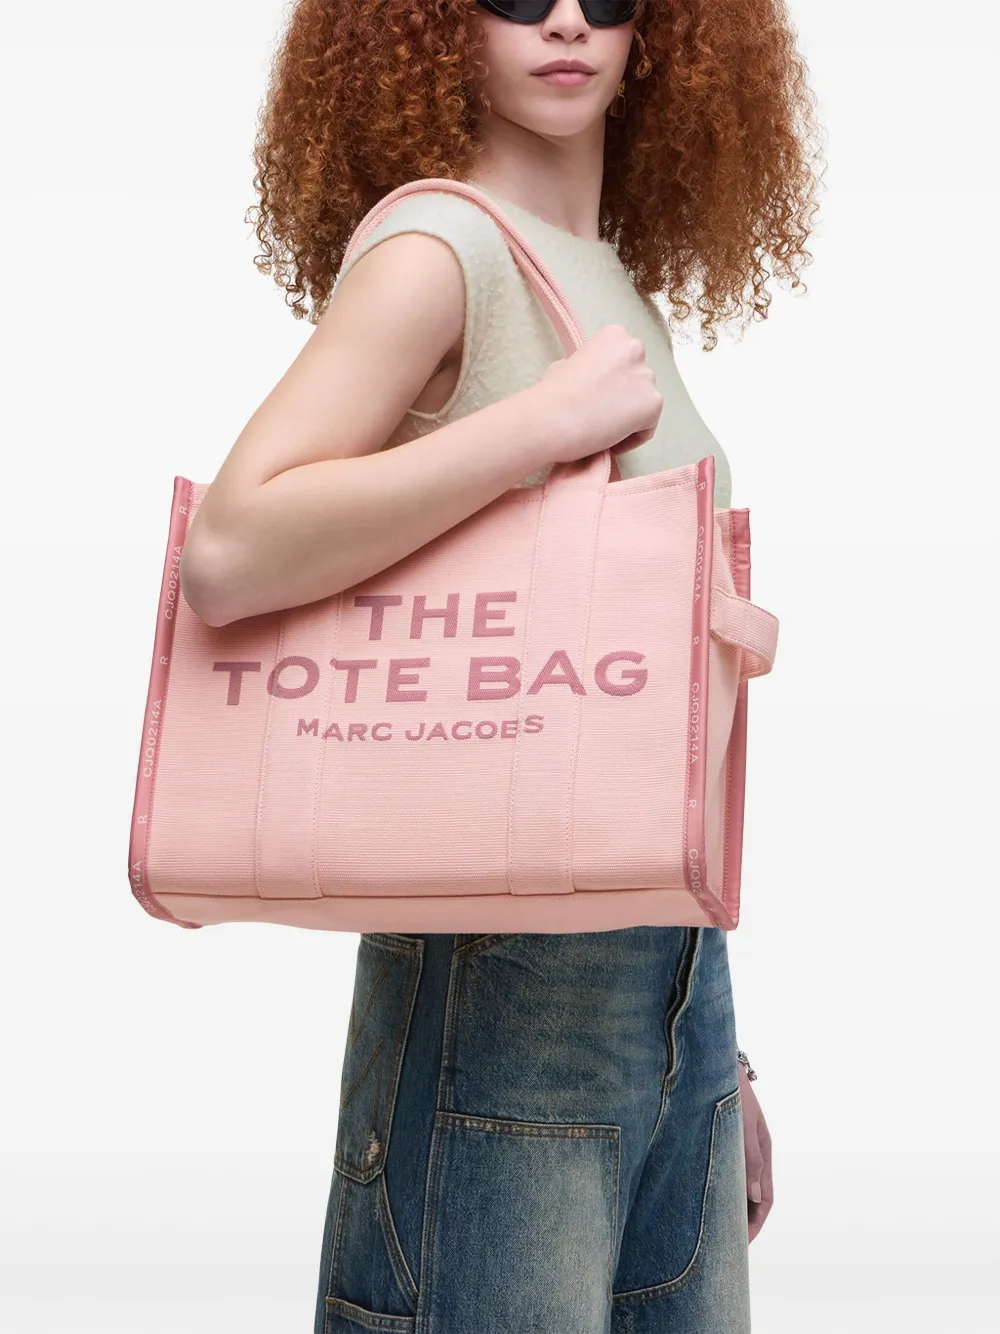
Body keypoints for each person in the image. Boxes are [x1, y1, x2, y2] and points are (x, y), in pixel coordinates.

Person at [179, 2, 822, 1328]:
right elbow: (229, 550)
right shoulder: (441, 247)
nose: (569, 17)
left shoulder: (598, 271)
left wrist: (714, 1052)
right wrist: (540, 426)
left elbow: (633, 736)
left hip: (671, 993)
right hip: (496, 990)